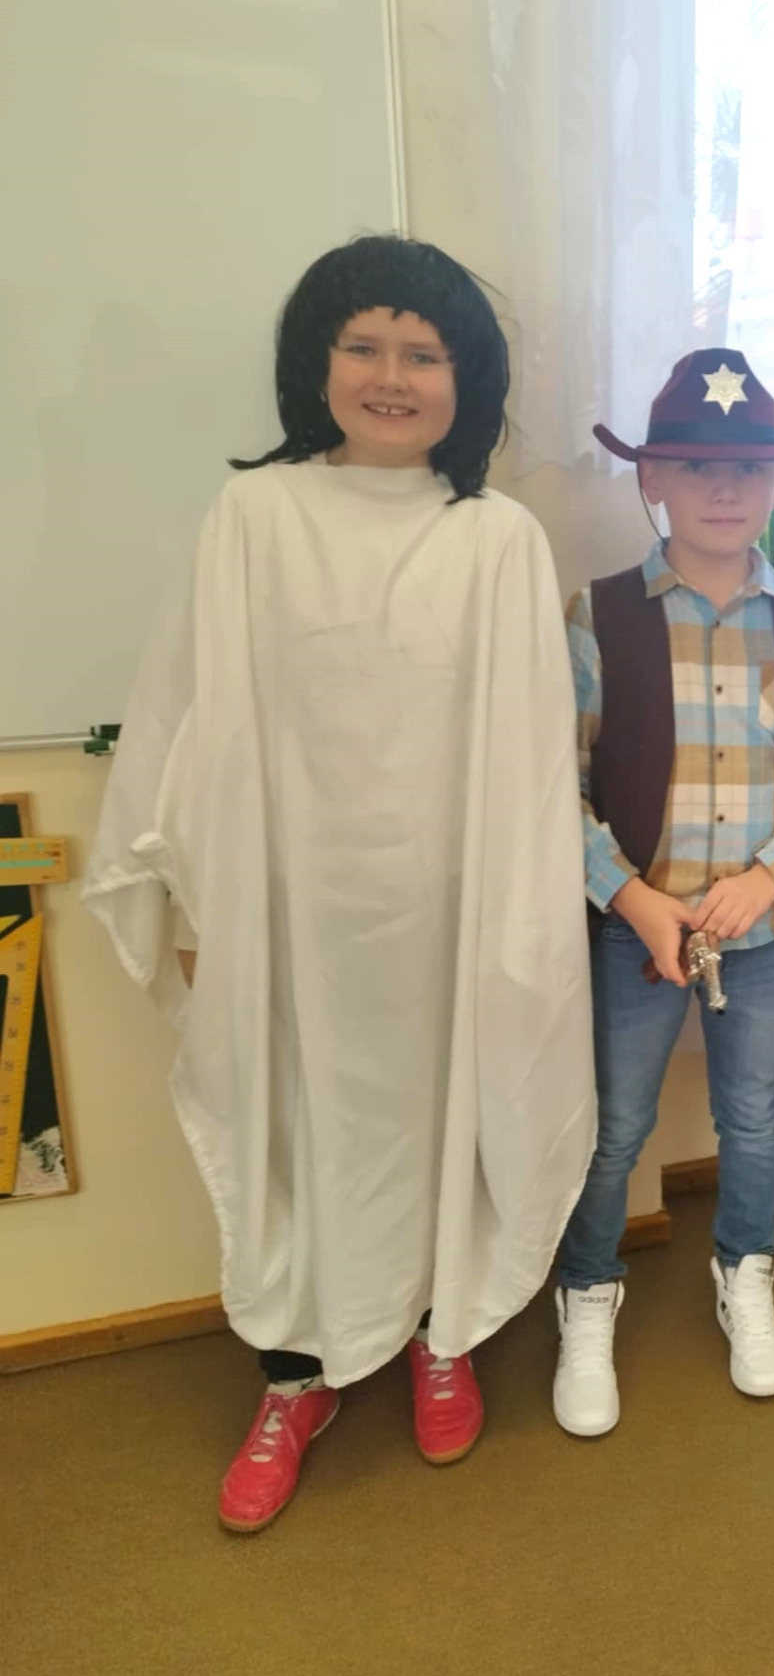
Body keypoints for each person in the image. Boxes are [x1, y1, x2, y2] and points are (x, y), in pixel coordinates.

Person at [83, 236, 595, 1531]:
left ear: (465, 381)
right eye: (363, 345)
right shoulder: (255, 518)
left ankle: (439, 1335)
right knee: (295, 1132)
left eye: (423, 353)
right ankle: (295, 1375)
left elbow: (531, 760)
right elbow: (193, 714)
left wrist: (520, 929)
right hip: (293, 917)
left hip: (446, 918)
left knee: (445, 1115)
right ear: (315, 366)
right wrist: (192, 902)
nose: (391, 375)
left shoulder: (497, 540)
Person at [551, 349, 774, 1436]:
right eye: (694, 465)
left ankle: (746, 1270)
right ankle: (588, 1290)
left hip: (759, 932)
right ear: (652, 480)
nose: (723, 488)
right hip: (636, 928)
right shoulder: (598, 617)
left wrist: (768, 878)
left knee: (756, 1114)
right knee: (614, 1124)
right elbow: (552, 786)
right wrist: (633, 899)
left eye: (748, 468)